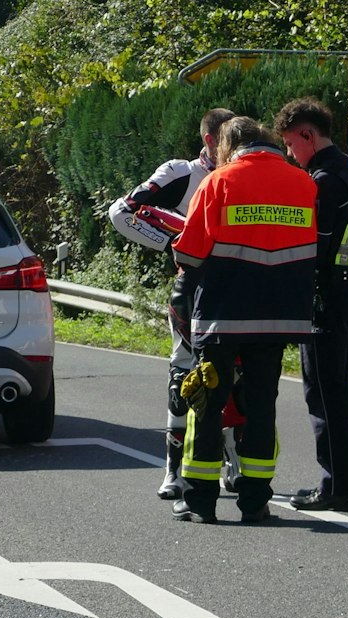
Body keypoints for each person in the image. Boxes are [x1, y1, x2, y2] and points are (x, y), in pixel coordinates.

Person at [168, 116, 318, 524]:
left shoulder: (217, 182)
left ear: (228, 146)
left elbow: (191, 255)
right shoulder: (304, 184)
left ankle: (200, 499)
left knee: (207, 404)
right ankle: (255, 500)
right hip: (279, 319)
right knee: (261, 408)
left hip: (222, 316)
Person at [112, 105, 234, 501]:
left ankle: (232, 463)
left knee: (236, 376)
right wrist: (174, 244)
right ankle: (173, 470)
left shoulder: (239, 176)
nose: (234, 147)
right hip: (190, 290)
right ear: (209, 140)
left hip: (234, 292)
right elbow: (121, 212)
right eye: (227, 139)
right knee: (182, 374)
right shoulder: (181, 173)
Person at [274, 98, 348, 512]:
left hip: (326, 297)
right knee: (343, 393)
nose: (289, 154)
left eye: (290, 145)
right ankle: (344, 481)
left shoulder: (322, 181)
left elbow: (313, 248)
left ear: (307, 135)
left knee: (324, 394)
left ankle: (335, 487)